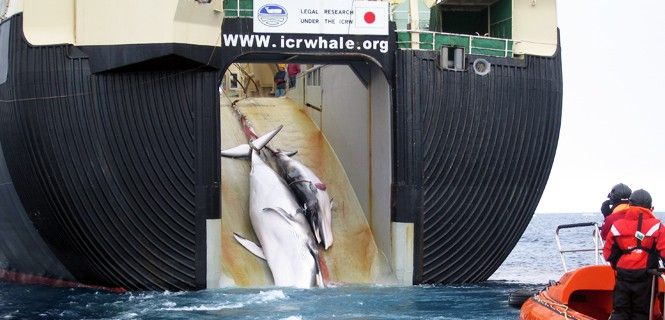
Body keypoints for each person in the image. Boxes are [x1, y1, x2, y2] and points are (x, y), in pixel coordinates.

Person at [603, 189, 665, 320]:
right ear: (650, 207)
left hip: (623, 276)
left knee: (620, 311)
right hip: (646, 277)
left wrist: (619, 265)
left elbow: (608, 254)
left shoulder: (617, 226)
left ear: (630, 205)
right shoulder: (657, 226)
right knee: (641, 313)